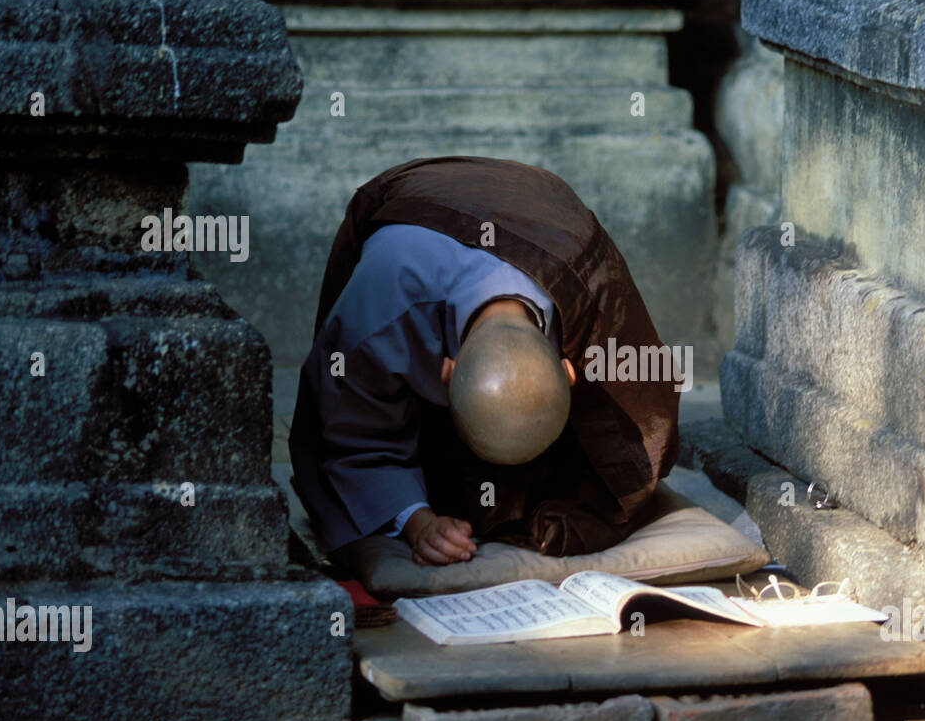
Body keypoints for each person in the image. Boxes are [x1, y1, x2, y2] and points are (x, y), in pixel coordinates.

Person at [288, 156, 680, 575]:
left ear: (571, 370)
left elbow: (646, 424)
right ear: (446, 371)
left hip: (540, 206)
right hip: (420, 197)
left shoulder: (591, 286)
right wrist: (416, 520)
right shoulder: (377, 311)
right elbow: (348, 436)